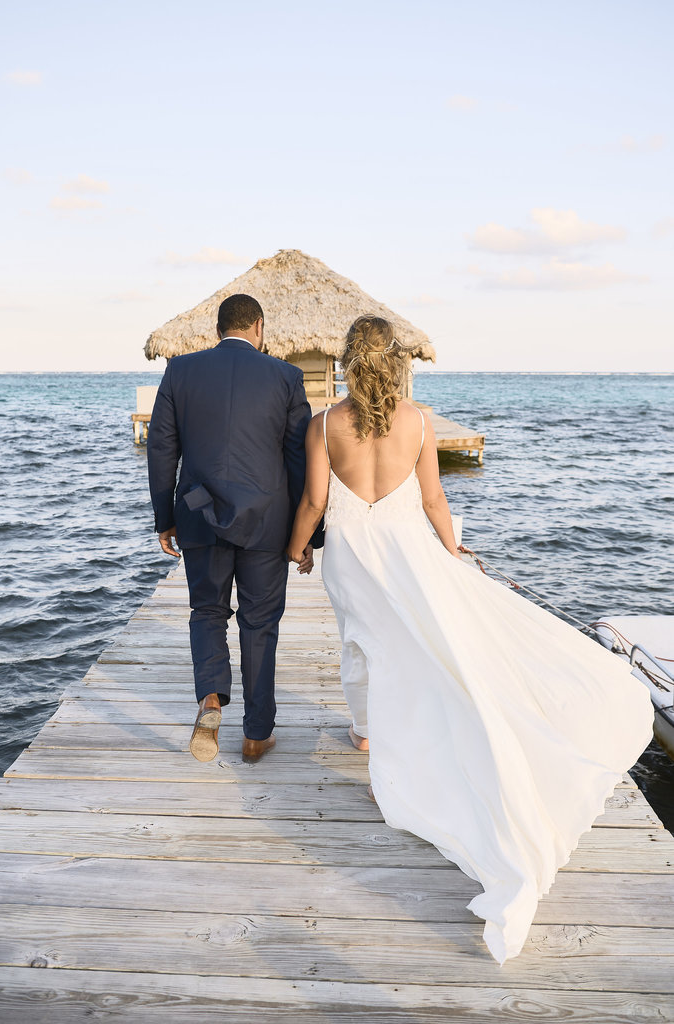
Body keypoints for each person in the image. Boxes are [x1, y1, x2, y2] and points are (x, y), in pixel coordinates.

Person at [286, 313, 654, 964]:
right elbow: (432, 500)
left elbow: (315, 503)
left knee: (362, 644)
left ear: (346, 362)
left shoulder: (323, 424)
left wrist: (297, 552)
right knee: (422, 651)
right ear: (397, 363)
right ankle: (388, 740)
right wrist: (451, 553)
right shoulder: (421, 420)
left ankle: (368, 731)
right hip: (406, 553)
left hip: (350, 554)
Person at [147, 293, 322, 765]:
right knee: (259, 625)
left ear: (217, 328)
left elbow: (162, 451)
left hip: (199, 516)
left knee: (207, 613)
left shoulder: (180, 371)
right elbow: (299, 459)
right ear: (259, 327)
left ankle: (210, 700)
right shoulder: (286, 376)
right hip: (267, 522)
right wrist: (309, 538)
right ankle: (255, 735)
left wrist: (164, 518)